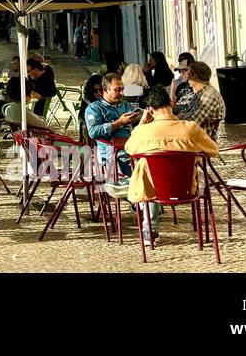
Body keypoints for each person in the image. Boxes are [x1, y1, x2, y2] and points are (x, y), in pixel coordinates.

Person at [123, 87, 220, 239]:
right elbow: (213, 150)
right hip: (186, 188)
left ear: (149, 109)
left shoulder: (143, 132)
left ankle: (149, 228)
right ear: (171, 103)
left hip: (154, 192)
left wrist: (142, 123)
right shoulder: (191, 128)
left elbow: (129, 149)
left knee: (145, 169)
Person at [84, 73, 141, 180]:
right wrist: (119, 122)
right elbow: (93, 132)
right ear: (105, 89)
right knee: (140, 170)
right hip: (112, 151)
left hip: (131, 147)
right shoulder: (94, 109)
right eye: (117, 90)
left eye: (123, 89)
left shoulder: (126, 105)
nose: (122, 93)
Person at [173, 61, 225, 140]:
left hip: (197, 144)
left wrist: (172, 121)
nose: (183, 74)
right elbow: (185, 114)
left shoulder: (209, 97)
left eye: (186, 71)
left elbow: (191, 124)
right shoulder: (201, 94)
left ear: (194, 76)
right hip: (191, 140)